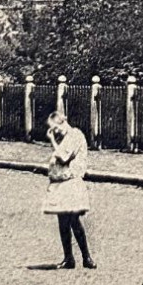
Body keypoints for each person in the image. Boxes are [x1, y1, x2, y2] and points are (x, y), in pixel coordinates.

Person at [44, 111, 95, 269]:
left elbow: (62, 157)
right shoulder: (67, 137)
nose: (54, 132)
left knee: (73, 219)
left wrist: (52, 140)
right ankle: (69, 258)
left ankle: (86, 257)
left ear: (62, 123)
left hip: (71, 181)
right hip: (63, 181)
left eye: (55, 128)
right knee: (63, 220)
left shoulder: (74, 135)